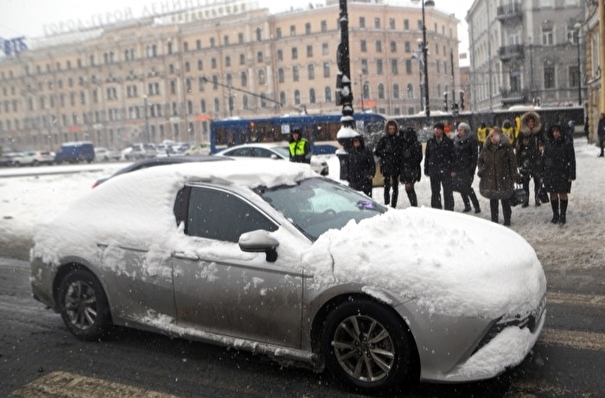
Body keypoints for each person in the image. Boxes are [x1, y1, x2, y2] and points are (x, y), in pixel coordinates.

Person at [477, 128, 520, 226]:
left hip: (504, 177)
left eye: (496, 136)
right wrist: (482, 169)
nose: (494, 138)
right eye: (492, 136)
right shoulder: (486, 148)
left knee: (505, 199)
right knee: (493, 200)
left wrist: (514, 175)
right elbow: (480, 160)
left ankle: (507, 219)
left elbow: (512, 162)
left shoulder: (506, 147)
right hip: (491, 178)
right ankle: (494, 221)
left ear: (500, 137)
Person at [542, 124, 576, 225]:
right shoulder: (549, 144)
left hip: (563, 172)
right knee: (553, 194)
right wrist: (542, 172)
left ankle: (563, 215)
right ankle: (555, 215)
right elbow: (544, 158)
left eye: (557, 131)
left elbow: (572, 160)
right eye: (554, 132)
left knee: (563, 193)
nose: (556, 133)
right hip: (551, 172)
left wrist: (572, 174)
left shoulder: (567, 143)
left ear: (561, 132)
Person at [516, 111, 545, 207]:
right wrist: (518, 162)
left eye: (532, 122)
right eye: (529, 122)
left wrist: (543, 147)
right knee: (525, 182)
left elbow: (545, 142)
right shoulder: (522, 134)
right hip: (526, 161)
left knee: (537, 181)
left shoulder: (539, 132)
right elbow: (518, 148)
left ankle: (537, 198)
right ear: (526, 123)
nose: (531, 124)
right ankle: (525, 200)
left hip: (537, 160)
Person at [424, 122, 455, 211]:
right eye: (435, 129)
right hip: (434, 170)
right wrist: (426, 169)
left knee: (448, 191)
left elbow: (453, 156)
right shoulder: (430, 142)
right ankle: (436, 209)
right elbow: (427, 156)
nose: (436, 131)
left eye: (438, 129)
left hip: (446, 170)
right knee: (435, 191)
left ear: (442, 130)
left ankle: (449, 209)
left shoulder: (448, 141)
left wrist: (453, 169)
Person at [452, 122, 481, 214]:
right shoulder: (455, 140)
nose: (459, 131)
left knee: (467, 187)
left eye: (461, 130)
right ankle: (467, 205)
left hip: (468, 168)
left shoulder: (472, 140)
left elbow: (474, 156)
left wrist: (472, 168)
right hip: (458, 168)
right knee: (461, 187)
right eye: (458, 130)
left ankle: (476, 206)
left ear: (466, 130)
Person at [374, 120, 403, 207]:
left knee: (395, 187)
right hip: (386, 166)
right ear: (387, 129)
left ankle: (393, 205)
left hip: (395, 166)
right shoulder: (384, 140)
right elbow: (377, 151)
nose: (391, 130)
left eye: (393, 129)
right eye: (390, 129)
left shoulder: (398, 140)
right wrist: (385, 152)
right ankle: (387, 204)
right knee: (387, 187)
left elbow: (401, 152)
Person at [399, 126, 423, 207]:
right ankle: (413, 204)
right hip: (408, 169)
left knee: (409, 187)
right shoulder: (407, 144)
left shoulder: (415, 144)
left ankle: (414, 205)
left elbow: (418, 158)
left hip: (412, 169)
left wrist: (408, 158)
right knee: (409, 188)